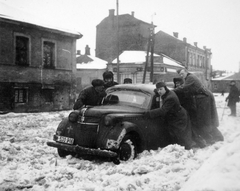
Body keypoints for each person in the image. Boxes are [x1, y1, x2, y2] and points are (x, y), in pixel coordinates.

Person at [175, 68, 224, 144]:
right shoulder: (188, 78)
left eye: (182, 73)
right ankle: (215, 137)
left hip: (204, 97)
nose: (181, 75)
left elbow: (183, 87)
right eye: (180, 74)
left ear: (186, 72)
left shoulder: (190, 77)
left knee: (205, 119)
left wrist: (171, 91)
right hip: (202, 98)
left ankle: (216, 138)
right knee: (205, 119)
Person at [145, 81, 195, 150]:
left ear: (165, 88)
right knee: (176, 135)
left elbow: (163, 110)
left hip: (179, 117)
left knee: (181, 136)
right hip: (174, 116)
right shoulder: (167, 93)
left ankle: (187, 150)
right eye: (158, 89)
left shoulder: (170, 98)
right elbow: (159, 93)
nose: (159, 91)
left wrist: (149, 113)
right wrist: (157, 90)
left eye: (161, 89)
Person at [173, 77, 207, 148]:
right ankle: (197, 142)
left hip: (190, 111)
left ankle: (201, 143)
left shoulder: (185, 90)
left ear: (182, 83)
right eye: (176, 84)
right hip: (186, 112)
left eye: (179, 83)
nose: (177, 85)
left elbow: (188, 102)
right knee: (190, 129)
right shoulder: (178, 90)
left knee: (193, 128)